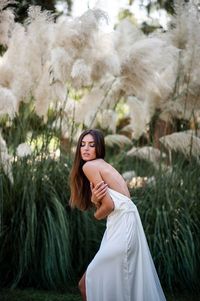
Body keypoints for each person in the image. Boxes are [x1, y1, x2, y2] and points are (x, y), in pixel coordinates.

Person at [70, 128, 166, 301]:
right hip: (123, 226)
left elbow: (109, 205)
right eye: (82, 144)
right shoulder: (103, 165)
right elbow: (119, 202)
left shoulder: (89, 166)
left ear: (99, 148)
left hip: (122, 229)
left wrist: (95, 211)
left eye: (91, 145)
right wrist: (94, 200)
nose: (85, 148)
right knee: (110, 284)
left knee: (86, 284)